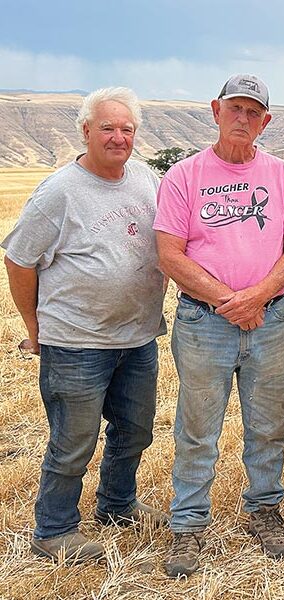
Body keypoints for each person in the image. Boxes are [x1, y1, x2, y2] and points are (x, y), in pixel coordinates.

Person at [2, 87, 168, 563]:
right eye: (108, 128)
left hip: (138, 336)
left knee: (135, 430)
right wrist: (34, 327)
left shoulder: (144, 178)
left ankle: (116, 505)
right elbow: (19, 261)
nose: (118, 137)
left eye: (127, 129)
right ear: (86, 131)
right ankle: (53, 529)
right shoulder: (59, 192)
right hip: (76, 342)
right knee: (73, 440)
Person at [155, 74, 284, 577]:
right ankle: (189, 524)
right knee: (198, 428)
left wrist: (259, 296)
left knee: (269, 425)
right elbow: (169, 254)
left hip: (270, 319)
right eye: (235, 108)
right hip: (204, 322)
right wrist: (231, 301)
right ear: (215, 109)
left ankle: (264, 509)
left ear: (266, 121)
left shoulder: (282, 174)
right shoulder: (184, 175)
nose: (243, 118)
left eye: (253, 112)